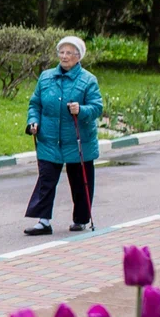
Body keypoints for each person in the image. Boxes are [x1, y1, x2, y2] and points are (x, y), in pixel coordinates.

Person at [24, 35, 103, 236]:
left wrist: (81, 110)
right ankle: (43, 222)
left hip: (78, 141)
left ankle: (81, 219)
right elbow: (35, 104)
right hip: (49, 139)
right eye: (61, 52)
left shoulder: (88, 80)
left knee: (80, 182)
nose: (64, 56)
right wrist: (33, 122)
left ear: (78, 57)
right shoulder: (46, 77)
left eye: (69, 53)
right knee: (46, 180)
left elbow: (97, 107)